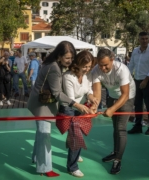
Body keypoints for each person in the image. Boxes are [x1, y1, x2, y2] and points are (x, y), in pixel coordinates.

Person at [27, 41, 90, 177]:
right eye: (67, 58)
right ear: (59, 55)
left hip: (39, 101)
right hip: (42, 106)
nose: (70, 61)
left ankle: (36, 158)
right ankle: (45, 168)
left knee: (40, 133)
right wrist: (76, 104)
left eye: (72, 58)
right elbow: (57, 93)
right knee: (44, 135)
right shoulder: (54, 68)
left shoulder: (53, 63)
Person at [92, 48, 135, 174]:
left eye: (105, 65)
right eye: (100, 65)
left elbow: (125, 95)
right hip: (112, 96)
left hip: (127, 97)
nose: (103, 69)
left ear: (112, 60)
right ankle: (115, 152)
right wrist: (94, 106)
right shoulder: (96, 70)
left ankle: (118, 159)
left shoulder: (122, 69)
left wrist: (111, 109)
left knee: (121, 128)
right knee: (115, 127)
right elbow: (98, 94)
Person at [59, 50, 97, 178]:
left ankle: (74, 153)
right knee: (77, 137)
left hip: (79, 107)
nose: (87, 69)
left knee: (76, 135)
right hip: (69, 108)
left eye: (89, 66)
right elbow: (70, 99)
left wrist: (92, 98)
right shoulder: (68, 76)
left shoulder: (86, 76)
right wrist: (84, 108)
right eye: (85, 66)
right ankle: (72, 167)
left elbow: (88, 91)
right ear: (77, 64)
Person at [128, 32, 149, 135]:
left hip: (148, 81)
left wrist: (145, 80)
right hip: (136, 80)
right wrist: (127, 78)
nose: (145, 40)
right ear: (139, 40)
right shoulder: (135, 51)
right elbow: (131, 65)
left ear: (148, 39)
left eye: (146, 39)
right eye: (142, 39)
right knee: (137, 105)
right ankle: (138, 126)